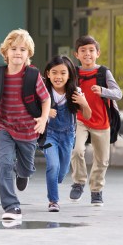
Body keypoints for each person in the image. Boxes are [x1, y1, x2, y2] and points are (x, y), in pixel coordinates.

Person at [0, 29, 51, 221]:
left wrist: (43, 119)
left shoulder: (33, 76)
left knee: (26, 167)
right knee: (3, 163)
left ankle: (23, 173)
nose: (18, 52)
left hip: (28, 129)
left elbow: (46, 99)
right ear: (5, 52)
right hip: (5, 127)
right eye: (13, 48)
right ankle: (11, 206)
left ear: (28, 54)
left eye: (23, 49)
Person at [69, 35, 122, 206]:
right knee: (76, 150)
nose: (87, 54)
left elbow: (118, 93)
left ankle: (96, 190)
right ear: (76, 54)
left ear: (97, 53)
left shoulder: (103, 72)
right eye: (83, 51)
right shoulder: (74, 73)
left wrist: (103, 90)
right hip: (80, 119)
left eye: (91, 50)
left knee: (102, 159)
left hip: (101, 121)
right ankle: (78, 181)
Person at [42, 55, 91, 212]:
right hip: (49, 134)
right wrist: (45, 111)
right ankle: (53, 201)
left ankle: (54, 183)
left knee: (62, 172)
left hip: (68, 135)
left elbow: (88, 115)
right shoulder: (43, 91)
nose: (58, 77)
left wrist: (84, 103)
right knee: (53, 165)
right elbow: (32, 111)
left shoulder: (75, 92)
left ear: (69, 74)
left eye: (63, 73)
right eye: (54, 72)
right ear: (48, 74)